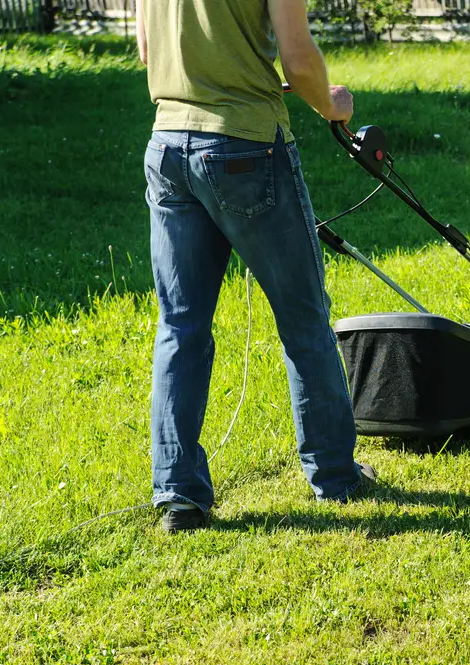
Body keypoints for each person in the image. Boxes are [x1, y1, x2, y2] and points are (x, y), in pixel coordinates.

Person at [135, 0, 376, 533]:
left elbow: (148, 50)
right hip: (245, 146)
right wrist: (330, 104)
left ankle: (179, 496)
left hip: (168, 146)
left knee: (180, 324)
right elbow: (299, 61)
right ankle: (335, 476)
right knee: (303, 318)